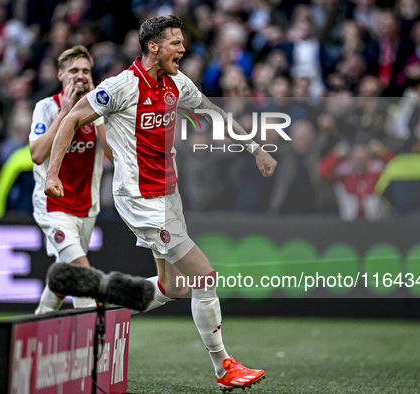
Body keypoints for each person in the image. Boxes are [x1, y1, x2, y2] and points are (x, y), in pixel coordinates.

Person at [45, 15, 276, 391]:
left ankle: (108, 302)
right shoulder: (121, 86)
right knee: (204, 275)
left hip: (168, 195)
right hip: (140, 199)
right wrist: (53, 174)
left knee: (174, 288)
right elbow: (71, 119)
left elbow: (211, 113)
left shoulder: (176, 83)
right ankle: (223, 367)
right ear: (153, 47)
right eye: (175, 43)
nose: (182, 49)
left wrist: (255, 149)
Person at [31, 45, 112, 314]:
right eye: (74, 70)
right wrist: (64, 115)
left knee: (64, 278)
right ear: (61, 75)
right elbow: (37, 154)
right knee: (83, 278)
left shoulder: (99, 111)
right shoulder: (45, 107)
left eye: (85, 71)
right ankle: (93, 352)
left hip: (86, 207)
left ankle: (36, 332)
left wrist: (97, 112)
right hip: (52, 206)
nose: (80, 76)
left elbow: (112, 155)